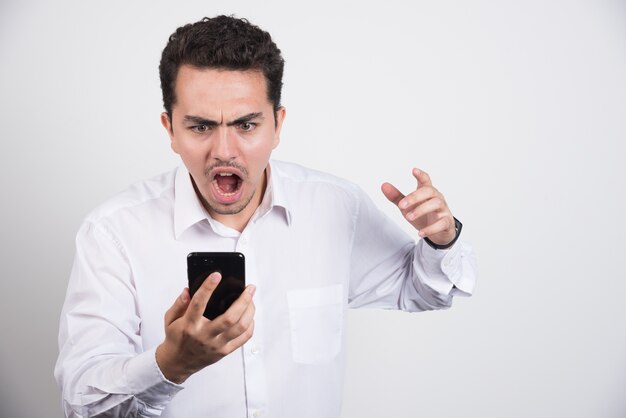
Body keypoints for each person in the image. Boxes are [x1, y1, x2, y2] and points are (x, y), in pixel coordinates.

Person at [54, 15, 477, 418]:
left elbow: (424, 290)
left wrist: (441, 240)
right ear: (170, 130)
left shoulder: (334, 206)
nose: (223, 150)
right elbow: (82, 404)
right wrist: (170, 364)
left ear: (278, 124)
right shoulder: (113, 234)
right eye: (200, 127)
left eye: (246, 125)